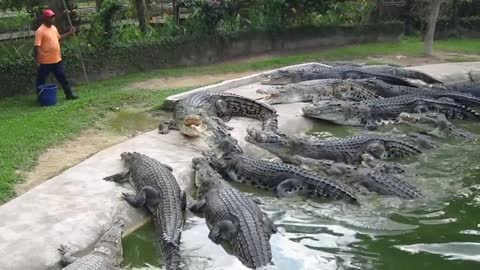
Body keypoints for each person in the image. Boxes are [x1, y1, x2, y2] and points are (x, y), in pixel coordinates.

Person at [34, 8, 79, 100]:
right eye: (50, 17)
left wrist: (69, 33)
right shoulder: (40, 31)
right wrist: (38, 61)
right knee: (41, 81)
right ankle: (41, 98)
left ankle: (69, 95)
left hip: (57, 60)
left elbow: (58, 38)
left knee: (63, 79)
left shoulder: (54, 28)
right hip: (45, 62)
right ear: (45, 18)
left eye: (53, 17)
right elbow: (37, 46)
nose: (52, 19)